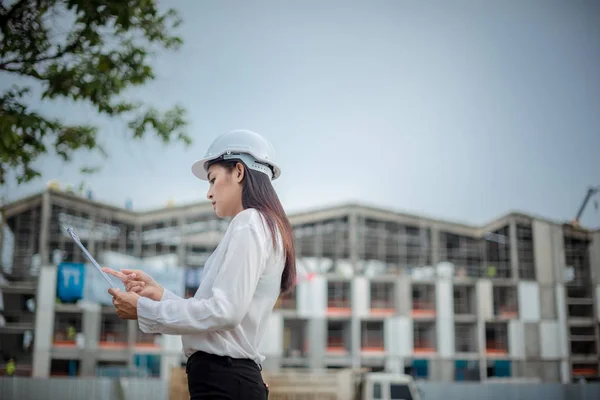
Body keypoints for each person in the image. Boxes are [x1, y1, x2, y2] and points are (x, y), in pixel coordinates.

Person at [103, 129, 296, 399]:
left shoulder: (249, 222)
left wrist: (144, 309)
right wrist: (159, 296)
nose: (208, 193)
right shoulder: (266, 227)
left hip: (224, 381)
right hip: (228, 380)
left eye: (212, 179)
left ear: (238, 171)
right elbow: (219, 319)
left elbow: (224, 312)